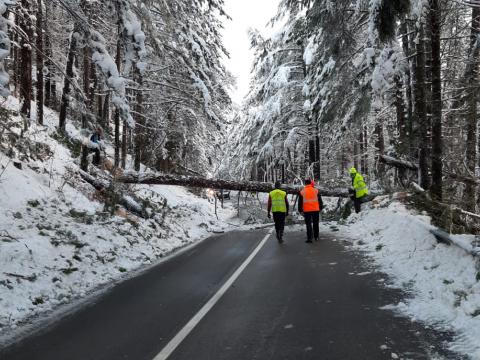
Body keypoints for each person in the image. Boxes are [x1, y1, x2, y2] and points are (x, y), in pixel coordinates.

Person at [298, 179, 323, 243]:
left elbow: (300, 202)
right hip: (315, 209)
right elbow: (320, 200)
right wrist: (320, 207)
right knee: (315, 223)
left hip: (307, 210)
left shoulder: (302, 191)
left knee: (308, 224)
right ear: (310, 183)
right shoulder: (316, 190)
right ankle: (316, 236)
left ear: (305, 184)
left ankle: (309, 238)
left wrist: (300, 210)